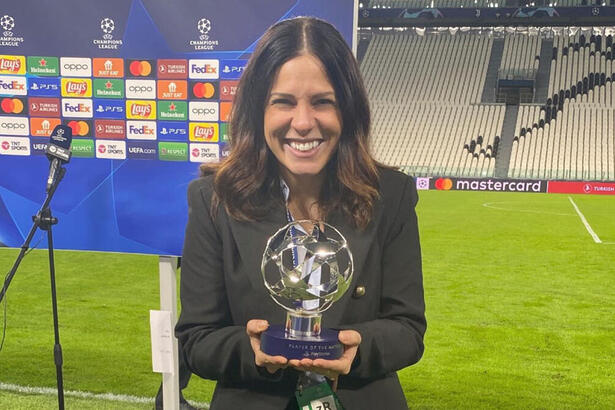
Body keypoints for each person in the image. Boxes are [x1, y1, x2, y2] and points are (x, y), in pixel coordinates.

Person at [175, 16, 426, 410]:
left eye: (323, 102)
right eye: (284, 102)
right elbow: (196, 338)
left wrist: (354, 349)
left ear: (348, 109)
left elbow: (408, 330)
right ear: (259, 110)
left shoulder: (389, 195)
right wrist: (253, 350)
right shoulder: (214, 199)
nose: (304, 123)